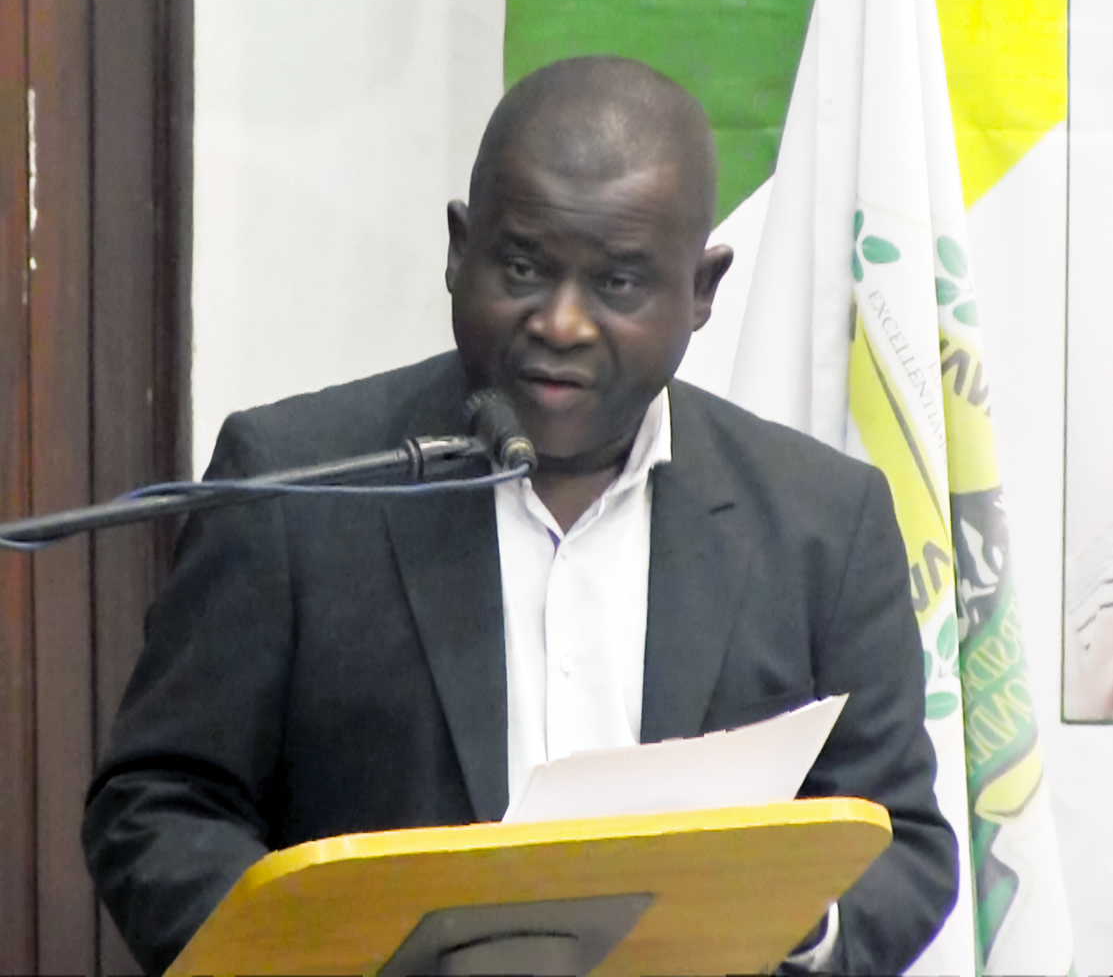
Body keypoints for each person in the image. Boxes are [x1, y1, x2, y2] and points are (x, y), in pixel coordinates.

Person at [83, 56, 957, 974]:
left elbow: (899, 844)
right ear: (459, 249)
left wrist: (774, 919)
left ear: (700, 290)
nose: (562, 322)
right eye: (523, 267)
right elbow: (159, 803)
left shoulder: (823, 522)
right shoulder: (293, 486)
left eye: (619, 284)